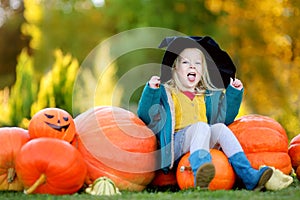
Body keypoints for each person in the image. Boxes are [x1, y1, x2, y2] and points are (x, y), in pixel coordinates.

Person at [137, 36, 273, 191]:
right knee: (201, 127)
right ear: (175, 68)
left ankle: (249, 176)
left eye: (197, 63)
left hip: (202, 140)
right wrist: (151, 90)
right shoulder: (167, 92)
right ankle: (200, 172)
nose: (192, 67)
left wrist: (233, 93)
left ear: (202, 70)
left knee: (220, 127)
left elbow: (225, 117)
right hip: (175, 146)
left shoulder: (207, 95)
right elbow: (145, 115)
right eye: (186, 62)